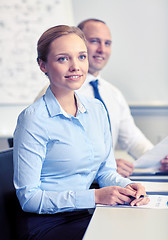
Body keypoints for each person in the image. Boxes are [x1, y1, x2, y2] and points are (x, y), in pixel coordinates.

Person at [13, 25, 149, 240]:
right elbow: (29, 199)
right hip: (46, 224)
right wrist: (94, 196)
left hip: (89, 214)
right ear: (43, 65)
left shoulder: (96, 109)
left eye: (81, 57)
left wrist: (127, 186)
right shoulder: (33, 119)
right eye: (63, 59)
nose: (76, 66)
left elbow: (105, 173)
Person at [36, 19, 168, 177]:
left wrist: (159, 160)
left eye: (107, 43)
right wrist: (105, 166)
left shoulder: (113, 93)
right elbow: (52, 156)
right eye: (94, 41)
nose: (102, 50)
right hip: (73, 185)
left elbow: (132, 140)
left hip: (107, 182)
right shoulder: (57, 92)